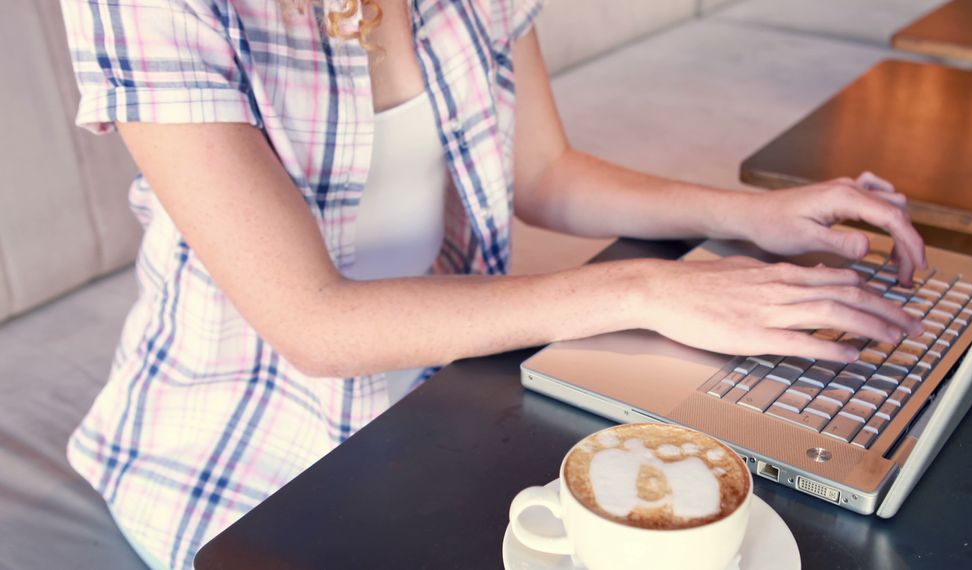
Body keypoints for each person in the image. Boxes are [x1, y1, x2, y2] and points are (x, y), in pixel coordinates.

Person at [59, 0, 925, 567]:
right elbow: (311, 325)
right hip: (245, 448)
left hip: (448, 385)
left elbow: (542, 171)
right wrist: (646, 291)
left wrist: (749, 217)